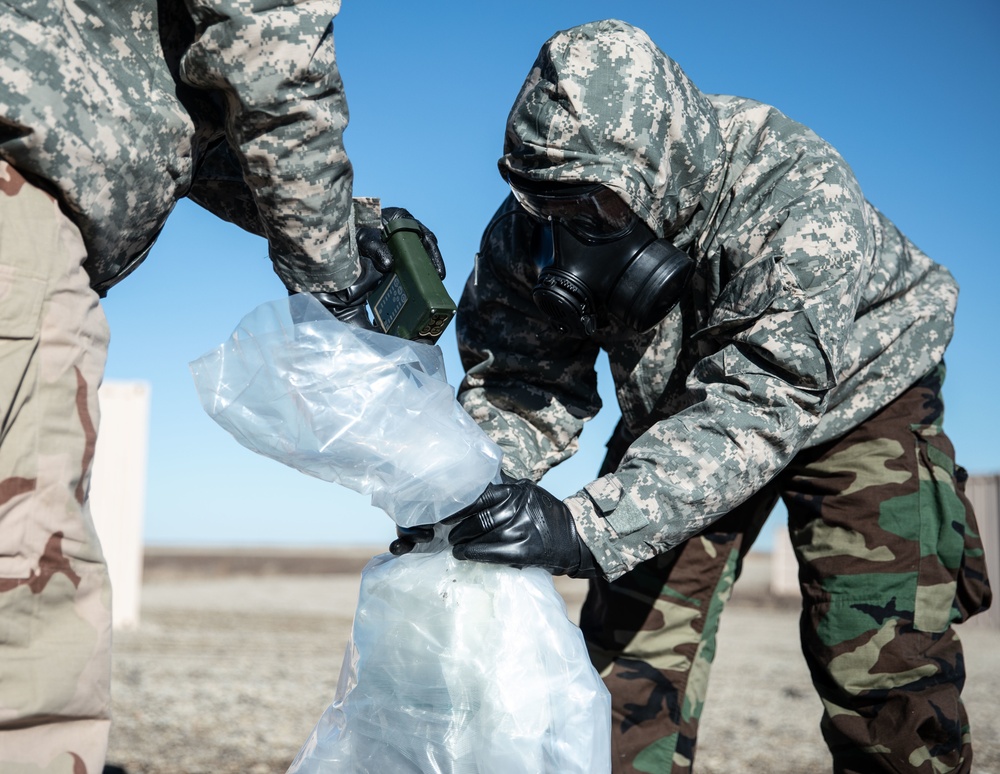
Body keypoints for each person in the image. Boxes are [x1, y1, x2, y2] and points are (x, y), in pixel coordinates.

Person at [396, 18, 992, 774]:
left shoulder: (792, 189)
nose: (563, 241)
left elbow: (761, 399)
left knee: (885, 670)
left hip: (858, 395)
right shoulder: (525, 234)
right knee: (617, 679)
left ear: (662, 170)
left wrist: (585, 528)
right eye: (544, 203)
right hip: (679, 416)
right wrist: (470, 496)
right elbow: (521, 385)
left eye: (596, 212)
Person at [0, 2, 442, 772]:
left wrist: (350, 223)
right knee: (26, 570)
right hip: (17, 201)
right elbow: (271, 62)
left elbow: (190, 131)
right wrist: (336, 286)